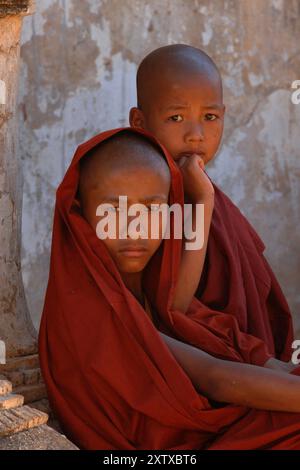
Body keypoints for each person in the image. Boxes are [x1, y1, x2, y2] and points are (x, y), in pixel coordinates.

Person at [39, 127, 300, 450]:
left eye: (152, 210)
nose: (135, 229)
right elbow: (215, 378)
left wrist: (203, 197)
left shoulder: (153, 294)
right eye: (114, 211)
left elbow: (241, 350)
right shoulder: (89, 309)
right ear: (79, 214)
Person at [129, 44, 294, 369]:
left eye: (210, 117)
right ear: (139, 122)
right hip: (185, 361)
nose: (196, 135)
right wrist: (202, 202)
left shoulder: (202, 187)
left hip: (234, 353)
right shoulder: (144, 194)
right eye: (176, 117)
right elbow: (174, 308)